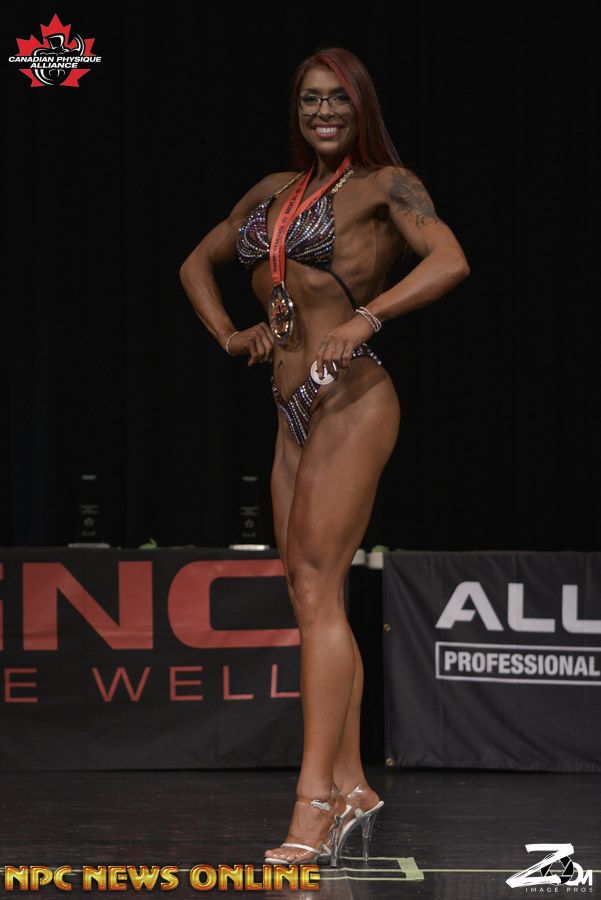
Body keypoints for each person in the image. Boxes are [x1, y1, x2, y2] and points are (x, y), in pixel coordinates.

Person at [179, 45, 470, 867]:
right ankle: (351, 786)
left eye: (337, 99)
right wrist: (229, 335)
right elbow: (195, 263)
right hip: (289, 409)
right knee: (314, 597)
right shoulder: (272, 192)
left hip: (351, 398)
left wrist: (367, 317)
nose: (322, 113)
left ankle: (311, 801)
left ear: (359, 106)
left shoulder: (386, 185)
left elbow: (450, 259)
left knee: (315, 587)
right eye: (310, 99)